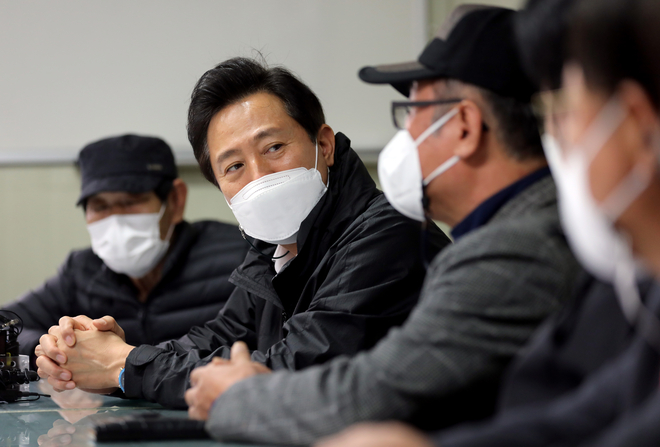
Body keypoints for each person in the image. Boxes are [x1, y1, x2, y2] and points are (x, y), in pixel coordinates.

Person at [176, 7, 581, 445]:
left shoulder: (512, 252)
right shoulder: (500, 237)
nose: (405, 137)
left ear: (464, 126)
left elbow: (370, 392)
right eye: (234, 166)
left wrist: (236, 397)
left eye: (412, 112)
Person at [317, 0, 660, 445]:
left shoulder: (525, 250)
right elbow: (582, 417)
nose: (556, 138)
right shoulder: (657, 294)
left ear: (637, 124)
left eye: (563, 111)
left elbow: (369, 392)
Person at [34, 58, 450, 406]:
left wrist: (124, 366)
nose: (259, 177)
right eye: (234, 166)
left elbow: (291, 371)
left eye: (274, 148)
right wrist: (98, 358)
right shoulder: (273, 249)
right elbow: (219, 339)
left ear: (324, 146)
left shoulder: (387, 231)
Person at [2, 134, 248, 368]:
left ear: (175, 200)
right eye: (100, 206)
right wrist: (51, 349)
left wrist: (123, 363)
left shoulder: (240, 257)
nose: (116, 220)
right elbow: (5, 324)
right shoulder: (81, 271)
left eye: (131, 202)